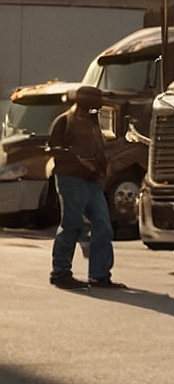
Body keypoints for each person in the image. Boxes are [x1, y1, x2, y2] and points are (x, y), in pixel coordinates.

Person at [47, 86, 117, 289]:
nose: (100, 102)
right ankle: (60, 273)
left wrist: (102, 167)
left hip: (92, 180)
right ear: (84, 100)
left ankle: (99, 276)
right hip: (70, 178)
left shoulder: (93, 121)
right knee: (72, 224)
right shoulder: (64, 120)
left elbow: (99, 148)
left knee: (103, 225)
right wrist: (78, 160)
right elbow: (53, 149)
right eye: (96, 99)